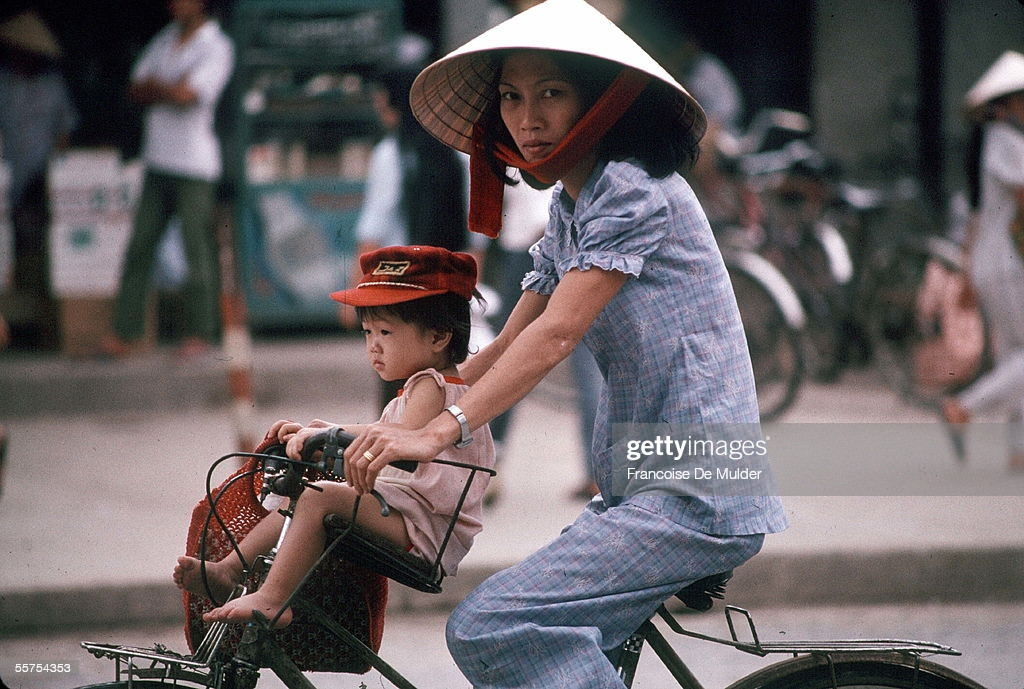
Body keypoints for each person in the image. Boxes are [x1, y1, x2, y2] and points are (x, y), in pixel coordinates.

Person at [337, 1, 788, 686]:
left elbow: (555, 336)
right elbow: (501, 347)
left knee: (491, 625)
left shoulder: (633, 189)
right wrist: (373, 429)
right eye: (513, 99)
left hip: (696, 485)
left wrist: (439, 434)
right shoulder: (574, 204)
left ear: (600, 102)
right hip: (643, 482)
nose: (528, 118)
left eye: (552, 93)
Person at [173, 245, 495, 626]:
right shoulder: (428, 387)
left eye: (386, 332)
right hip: (409, 515)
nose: (373, 345)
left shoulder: (431, 385)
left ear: (439, 336)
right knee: (304, 498)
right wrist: (324, 431)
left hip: (420, 527)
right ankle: (230, 568)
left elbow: (400, 435)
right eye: (367, 332)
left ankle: (273, 599)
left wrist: (326, 432)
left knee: (317, 497)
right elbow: (385, 434)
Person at [102, 0, 233, 359]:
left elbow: (189, 95)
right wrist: (168, 89)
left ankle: (200, 333)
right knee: (140, 244)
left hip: (194, 164)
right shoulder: (164, 40)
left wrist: (162, 89)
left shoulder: (216, 45)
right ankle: (125, 331)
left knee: (196, 249)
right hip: (158, 158)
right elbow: (137, 87)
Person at [345, 65, 479, 408]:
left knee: (398, 393)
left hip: (398, 291)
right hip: (444, 292)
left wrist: (356, 292)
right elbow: (475, 237)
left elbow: (372, 230)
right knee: (445, 386)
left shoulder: (392, 155)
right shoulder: (458, 155)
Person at [941, 50, 1024, 471]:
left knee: (1015, 355)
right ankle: (964, 406)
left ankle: (1019, 450)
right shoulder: (1006, 140)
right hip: (1008, 264)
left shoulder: (996, 142)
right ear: (1007, 104)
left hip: (995, 262)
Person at [0, 10, 78, 348]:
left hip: (40, 181)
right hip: (6, 180)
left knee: (41, 248)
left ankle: (40, 318)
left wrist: (56, 172)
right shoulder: (2, 83)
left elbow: (65, 131)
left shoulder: (52, 85)